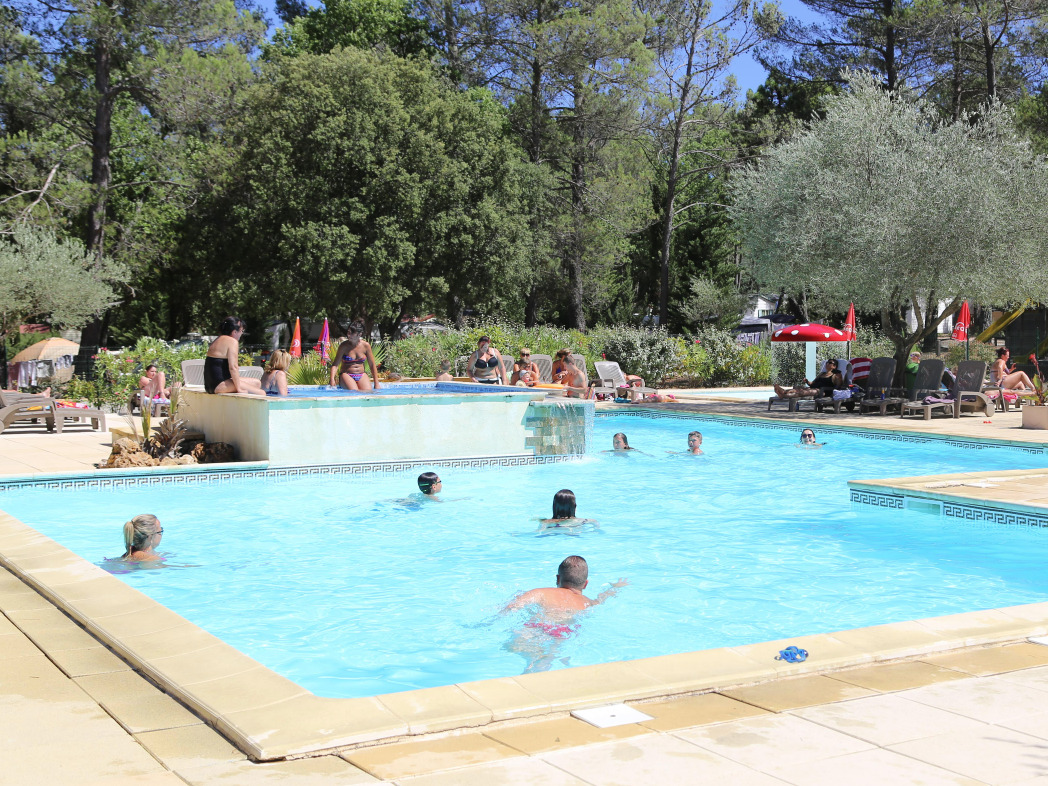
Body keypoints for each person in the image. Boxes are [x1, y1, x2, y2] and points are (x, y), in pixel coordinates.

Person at [504, 556, 627, 615]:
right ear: (585, 584)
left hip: (538, 624)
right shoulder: (587, 602)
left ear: (558, 579)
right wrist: (615, 588)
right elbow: (601, 599)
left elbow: (512, 606)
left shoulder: (541, 592)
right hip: (563, 631)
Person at [204, 317, 266, 396]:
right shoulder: (232, 341)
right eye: (241, 331)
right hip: (220, 385)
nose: (241, 334)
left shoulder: (217, 340)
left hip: (210, 385)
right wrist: (239, 388)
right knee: (261, 393)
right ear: (234, 332)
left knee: (257, 383)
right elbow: (233, 367)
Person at [330, 321, 380, 391]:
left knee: (368, 392)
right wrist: (332, 379)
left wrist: (376, 383)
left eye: (352, 333)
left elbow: (372, 365)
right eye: (348, 332)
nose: (349, 335)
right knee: (354, 392)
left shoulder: (366, 346)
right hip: (346, 374)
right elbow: (335, 365)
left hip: (361, 374)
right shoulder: (343, 346)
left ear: (360, 334)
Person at [774, 359, 844, 399]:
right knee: (798, 388)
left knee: (802, 392)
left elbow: (838, 386)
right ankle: (783, 392)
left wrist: (833, 394)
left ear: (834, 366)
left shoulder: (836, 375)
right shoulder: (821, 374)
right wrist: (807, 381)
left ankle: (783, 395)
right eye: (827, 362)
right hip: (814, 388)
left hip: (822, 391)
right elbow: (812, 383)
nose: (827, 364)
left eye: (830, 363)